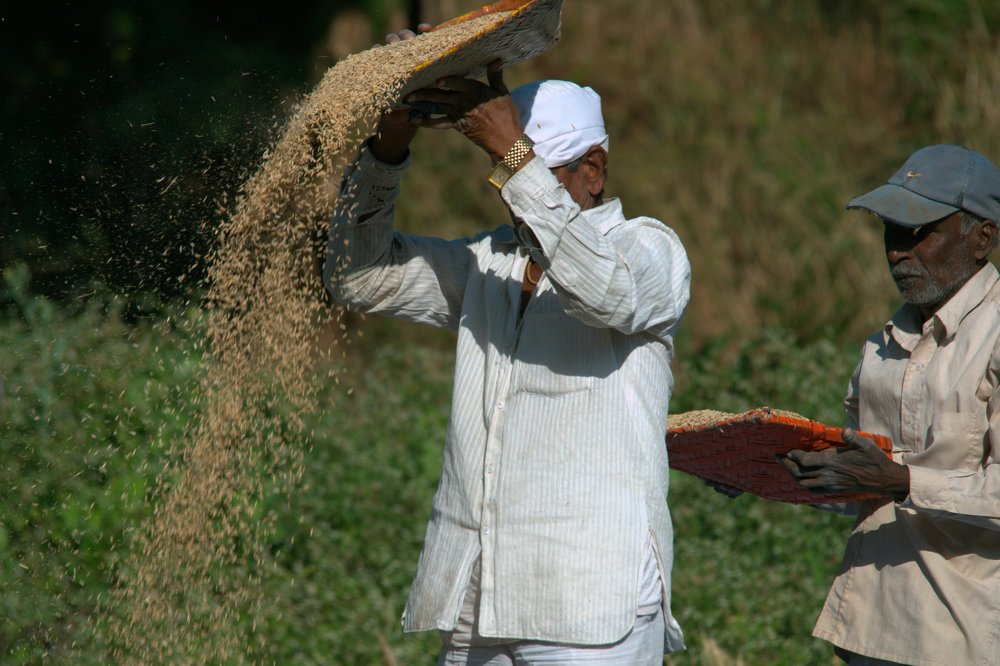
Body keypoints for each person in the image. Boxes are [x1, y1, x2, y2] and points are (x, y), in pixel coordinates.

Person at [323, 37, 690, 666]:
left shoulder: (649, 251)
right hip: (477, 593)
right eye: (507, 174)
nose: (516, 189)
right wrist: (389, 144)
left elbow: (603, 294)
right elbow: (357, 277)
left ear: (594, 170)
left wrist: (507, 147)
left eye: (533, 171)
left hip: (586, 600)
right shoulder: (491, 263)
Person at [779, 144, 1000, 666]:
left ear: (982, 238)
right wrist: (771, 472)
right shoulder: (883, 345)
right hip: (869, 626)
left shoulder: (992, 338)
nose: (898, 251)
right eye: (891, 231)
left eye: (921, 232)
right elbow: (859, 480)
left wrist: (902, 482)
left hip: (961, 634)